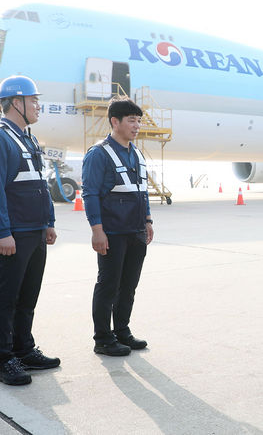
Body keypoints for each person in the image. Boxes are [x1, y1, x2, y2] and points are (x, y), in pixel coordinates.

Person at [82, 98, 154, 357]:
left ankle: (122, 331)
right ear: (115, 121)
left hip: (135, 231)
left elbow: (141, 191)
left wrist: (147, 220)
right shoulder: (99, 154)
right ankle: (103, 338)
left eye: (139, 121)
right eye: (131, 120)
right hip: (112, 232)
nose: (137, 126)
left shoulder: (135, 152)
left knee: (129, 285)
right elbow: (89, 194)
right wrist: (96, 230)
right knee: (108, 285)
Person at [0, 75, 60, 386]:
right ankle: (4, 357)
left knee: (28, 296)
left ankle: (23, 349)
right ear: (15, 103)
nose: (38, 105)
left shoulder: (30, 139)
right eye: (32, 100)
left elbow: (42, 185)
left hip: (35, 232)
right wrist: (2, 231)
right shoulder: (2, 138)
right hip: (14, 234)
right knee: (6, 298)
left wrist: (48, 222)